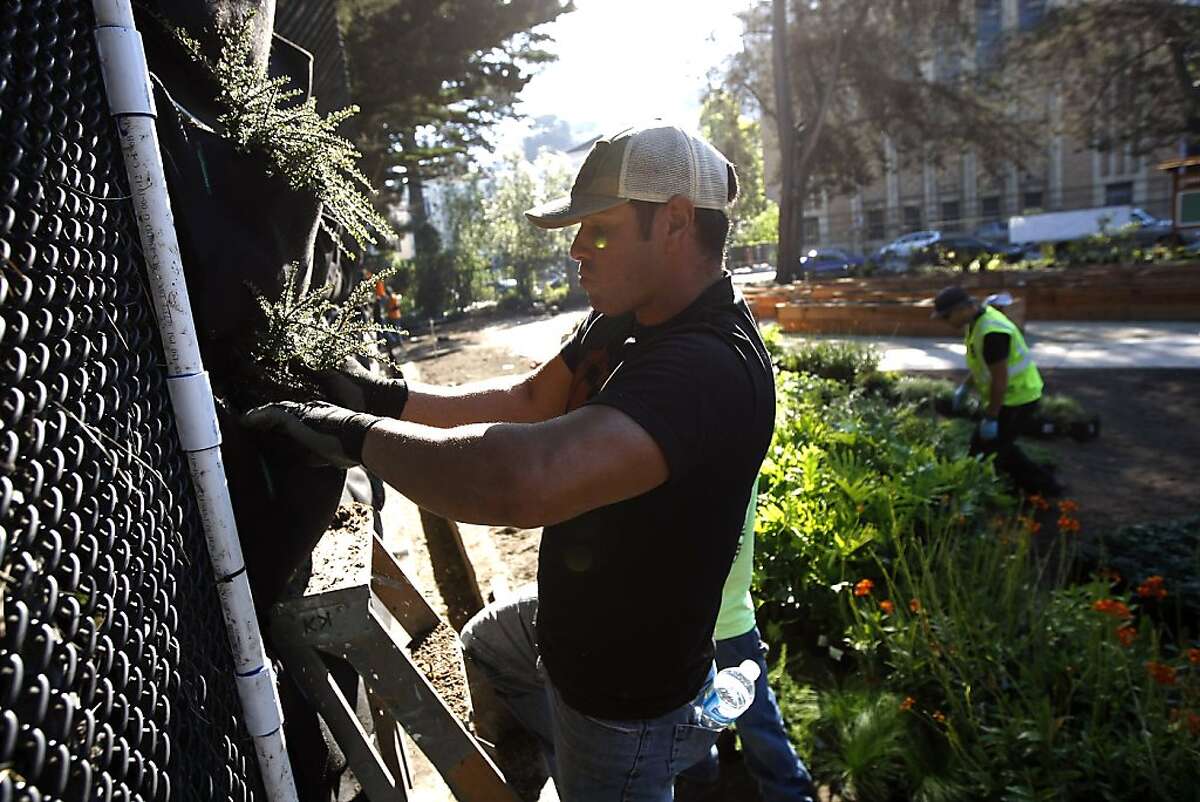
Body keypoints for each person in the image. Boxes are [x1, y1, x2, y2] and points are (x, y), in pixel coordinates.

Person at [245, 123, 777, 801]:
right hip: (573, 630)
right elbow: (527, 400)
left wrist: (351, 434)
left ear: (674, 221)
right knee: (489, 647)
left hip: (624, 703)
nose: (578, 248)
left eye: (599, 229)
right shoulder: (630, 315)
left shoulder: (709, 366)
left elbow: (520, 479)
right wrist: (387, 397)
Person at [676, 483, 817, 802]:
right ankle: (706, 776)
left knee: (741, 717)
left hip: (721, 620)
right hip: (712, 620)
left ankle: (783, 790)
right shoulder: (732, 444)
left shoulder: (711, 451)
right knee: (702, 712)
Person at [930, 285, 1062, 496]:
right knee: (996, 448)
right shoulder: (977, 322)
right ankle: (1040, 483)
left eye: (947, 316)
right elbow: (984, 364)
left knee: (991, 450)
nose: (946, 322)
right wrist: (965, 386)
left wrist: (991, 417)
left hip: (1018, 397)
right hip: (1010, 396)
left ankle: (1046, 487)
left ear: (963, 309)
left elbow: (1000, 379)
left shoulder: (992, 333)